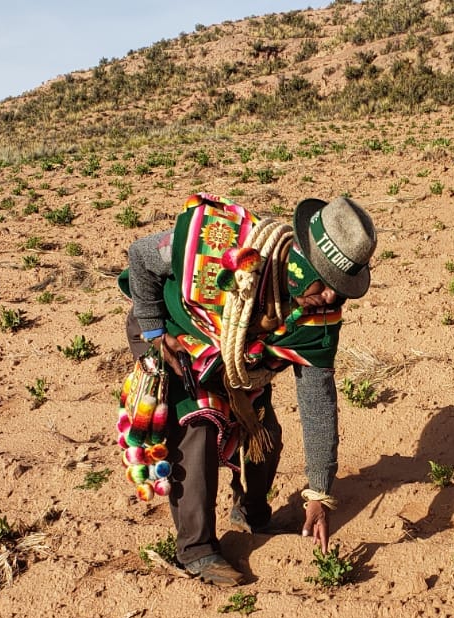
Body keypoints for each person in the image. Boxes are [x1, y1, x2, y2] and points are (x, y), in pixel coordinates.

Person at [117, 193, 376, 586]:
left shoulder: (317, 317)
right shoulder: (222, 247)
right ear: (301, 266)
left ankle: (251, 513)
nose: (332, 297)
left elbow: (317, 403)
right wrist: (154, 331)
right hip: (177, 336)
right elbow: (140, 256)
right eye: (325, 284)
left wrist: (319, 493)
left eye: (342, 287)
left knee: (263, 433)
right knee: (198, 427)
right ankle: (196, 549)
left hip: (242, 361)